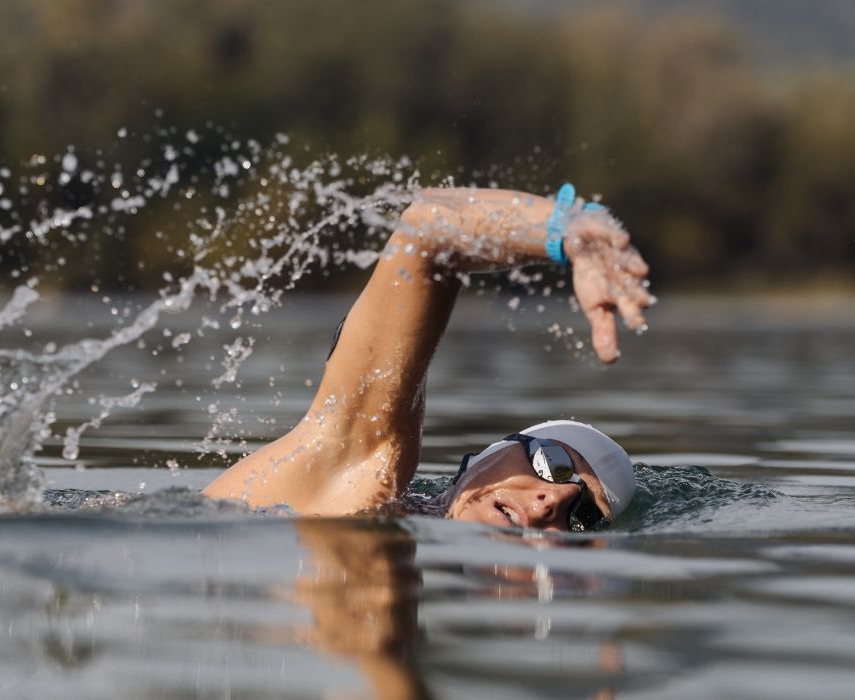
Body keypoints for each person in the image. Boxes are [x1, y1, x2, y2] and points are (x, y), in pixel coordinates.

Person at [202, 186, 655, 530]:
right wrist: (570, 229)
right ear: (486, 457)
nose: (551, 501)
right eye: (553, 465)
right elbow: (428, 230)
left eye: (583, 516)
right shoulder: (363, 471)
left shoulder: (397, 544)